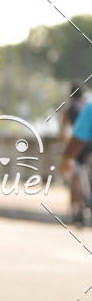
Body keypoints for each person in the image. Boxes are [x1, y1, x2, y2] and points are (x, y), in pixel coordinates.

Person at [59, 83, 90, 226]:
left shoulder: (69, 109)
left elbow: (64, 132)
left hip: (77, 145)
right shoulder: (85, 105)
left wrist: (66, 157)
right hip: (89, 145)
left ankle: (77, 208)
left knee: (75, 177)